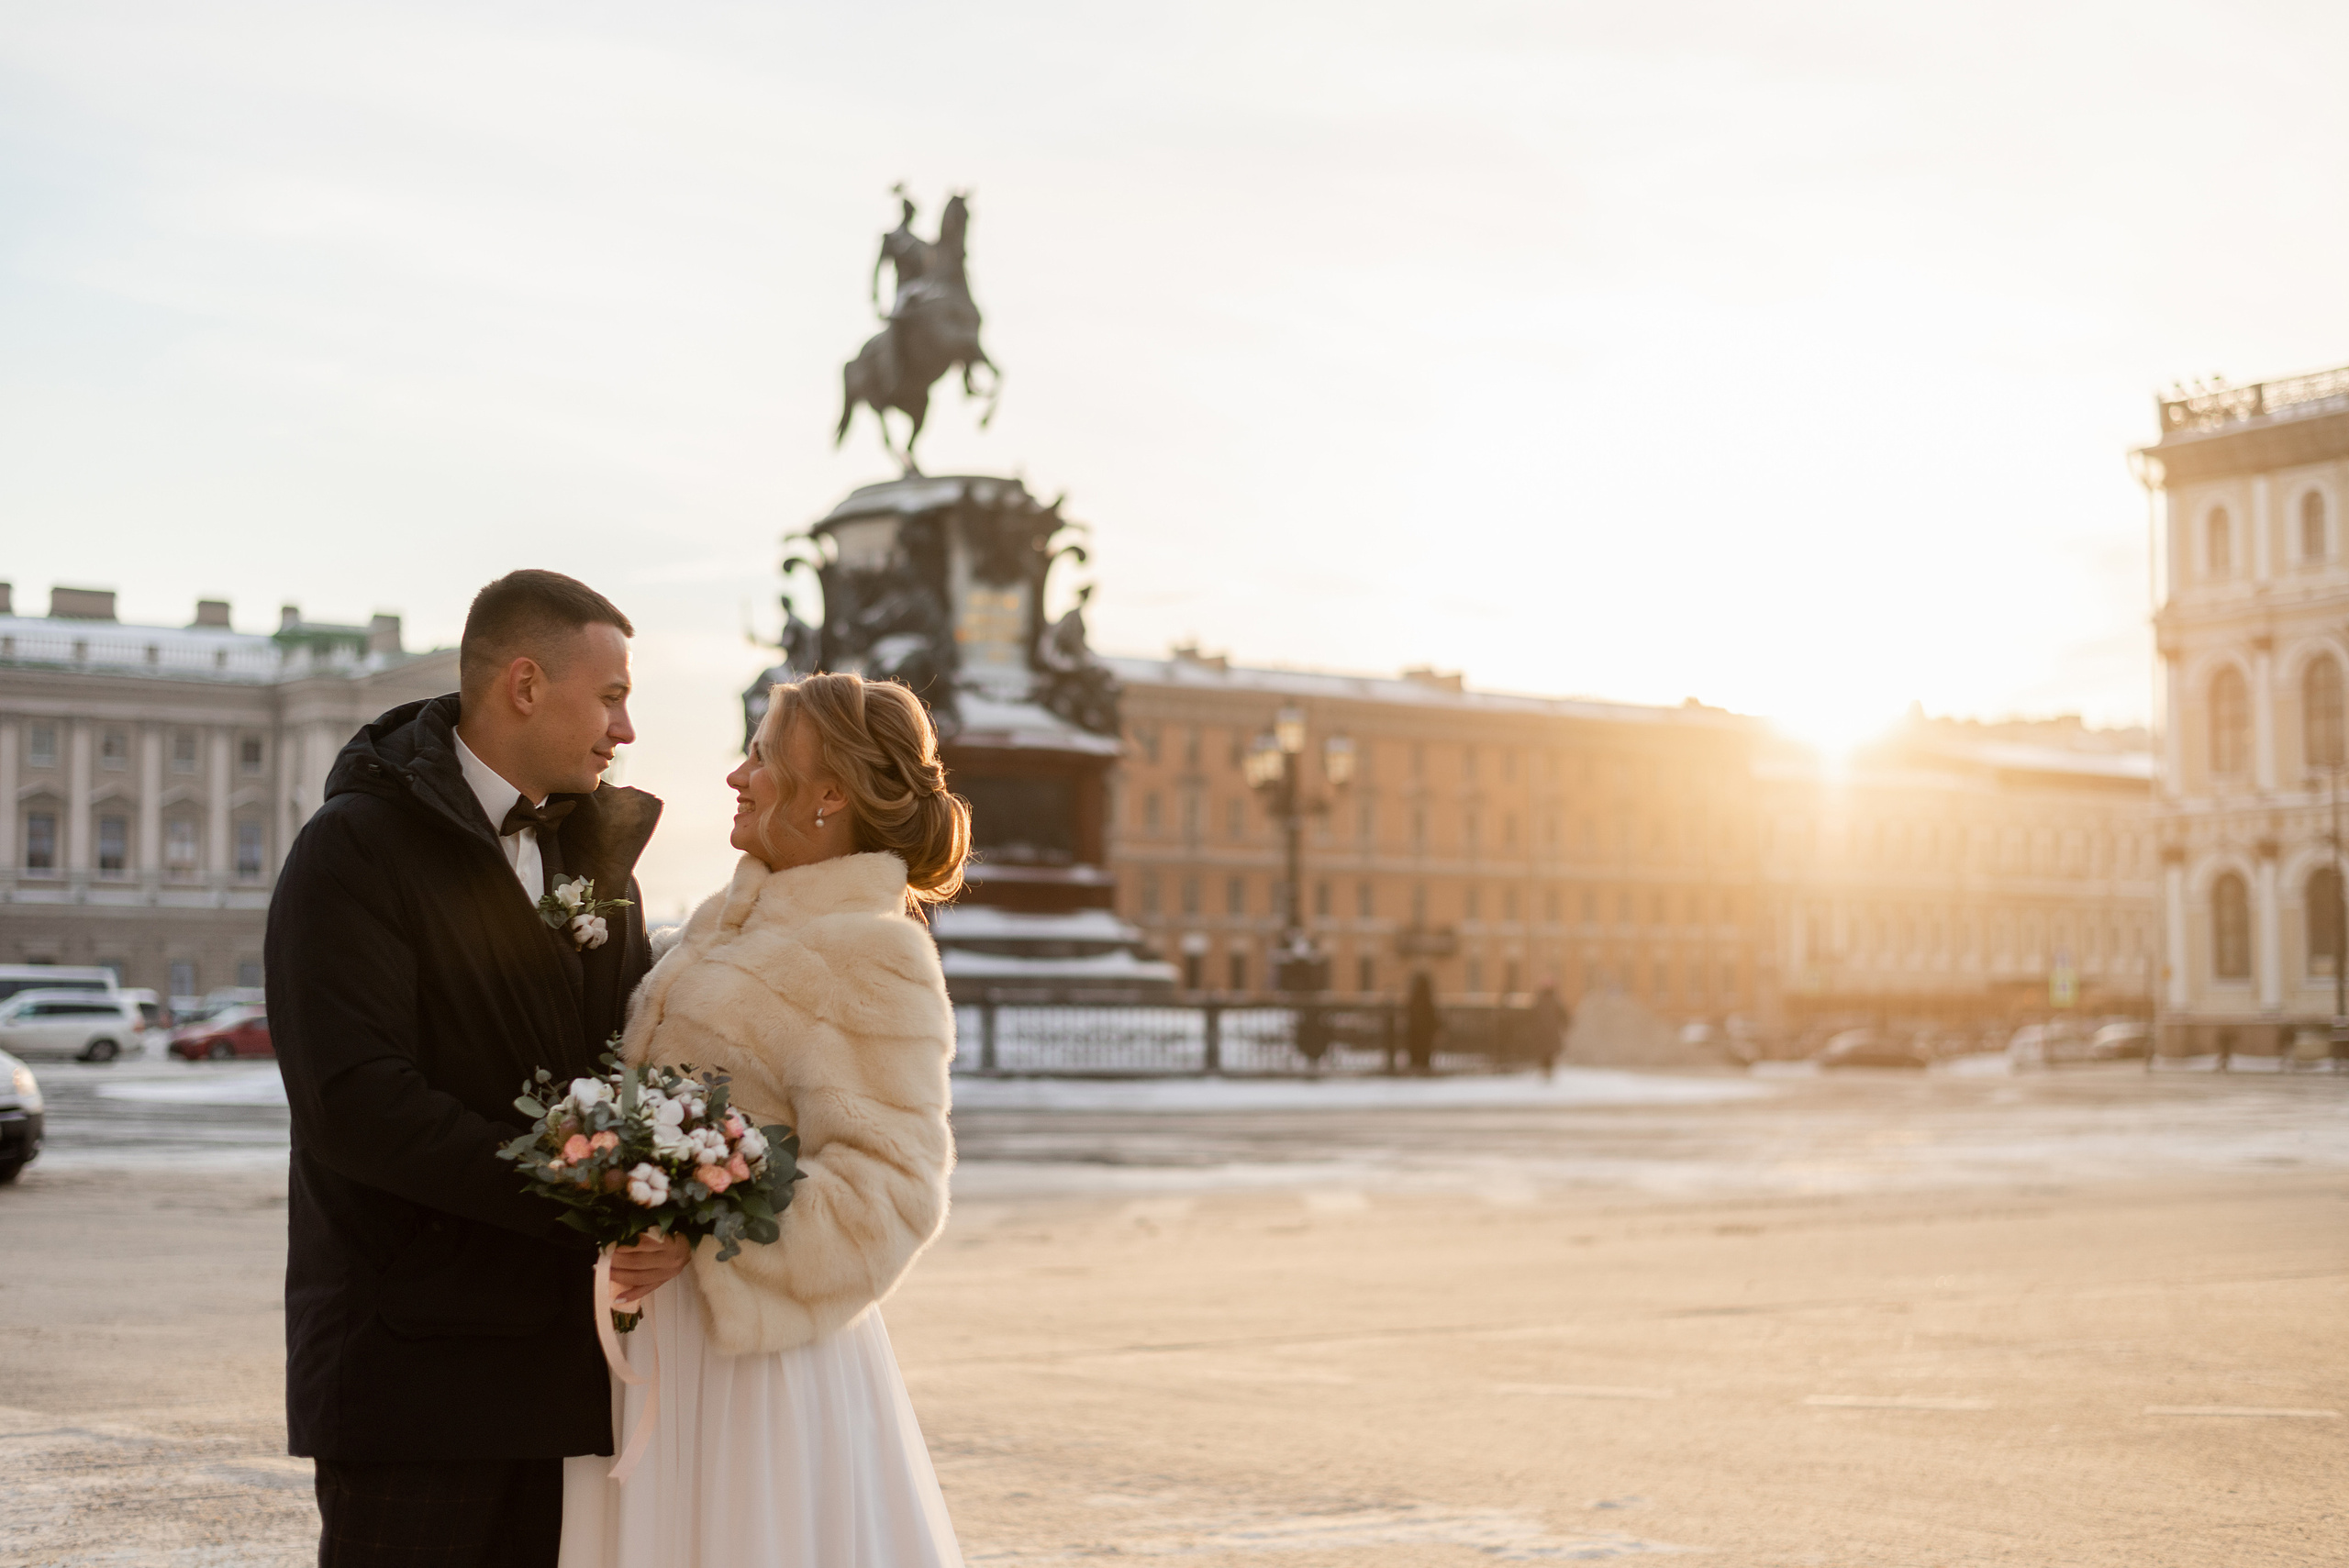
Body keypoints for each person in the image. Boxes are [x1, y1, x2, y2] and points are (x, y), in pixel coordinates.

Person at [269, 570, 687, 1567]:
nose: (626, 730)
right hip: (412, 1376)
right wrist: (590, 1193)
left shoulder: (598, 861)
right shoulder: (351, 849)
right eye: (613, 694)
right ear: (527, 685)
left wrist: (669, 1193)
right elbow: (359, 1105)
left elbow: (625, 1069)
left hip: (561, 1373)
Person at [560, 671, 971, 1568]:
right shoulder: (721, 921)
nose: (735, 778)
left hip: (757, 1367)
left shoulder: (875, 953)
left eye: (760, 755)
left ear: (829, 794)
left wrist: (705, 1229)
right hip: (658, 1345)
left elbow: (889, 1191)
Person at [1529, 983, 1570, 1079]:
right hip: (1552, 1033)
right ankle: (1548, 1071)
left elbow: (1531, 1017)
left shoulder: (1538, 1001)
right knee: (1550, 1053)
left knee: (1544, 1052)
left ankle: (1545, 1071)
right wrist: (1565, 1026)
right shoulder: (1556, 1002)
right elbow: (1564, 1016)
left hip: (1541, 1033)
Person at [1404, 970, 1440, 1075]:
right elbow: (1432, 1016)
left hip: (1416, 1030)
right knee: (1424, 1049)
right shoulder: (1427, 999)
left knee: (1416, 1048)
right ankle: (1423, 1066)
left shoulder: (1414, 999)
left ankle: (1417, 1065)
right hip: (1425, 1031)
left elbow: (1409, 1012)